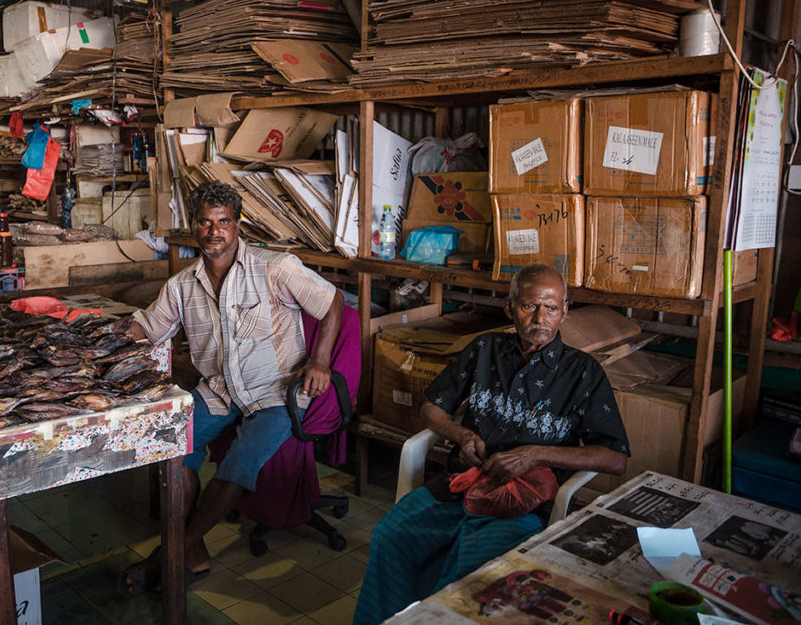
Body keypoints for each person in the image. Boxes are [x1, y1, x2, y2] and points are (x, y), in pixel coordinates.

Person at [353, 264, 630, 624]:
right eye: (529, 306)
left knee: (470, 569)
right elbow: (432, 407)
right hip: (459, 484)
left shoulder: (582, 372)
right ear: (510, 307)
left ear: (564, 310)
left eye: (551, 308)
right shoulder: (485, 348)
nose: (540, 318)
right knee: (390, 536)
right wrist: (461, 434)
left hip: (524, 505)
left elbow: (615, 458)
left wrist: (535, 454)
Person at [122, 180, 344, 594]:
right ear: (193, 225)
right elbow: (147, 329)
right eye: (205, 222)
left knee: (236, 465)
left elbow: (332, 302)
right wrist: (100, 332)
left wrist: (320, 361)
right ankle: (194, 549)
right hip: (220, 390)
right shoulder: (182, 285)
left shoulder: (275, 268)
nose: (214, 232)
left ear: (237, 223)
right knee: (172, 451)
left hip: (277, 392)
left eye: (224, 221)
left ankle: (171, 553)